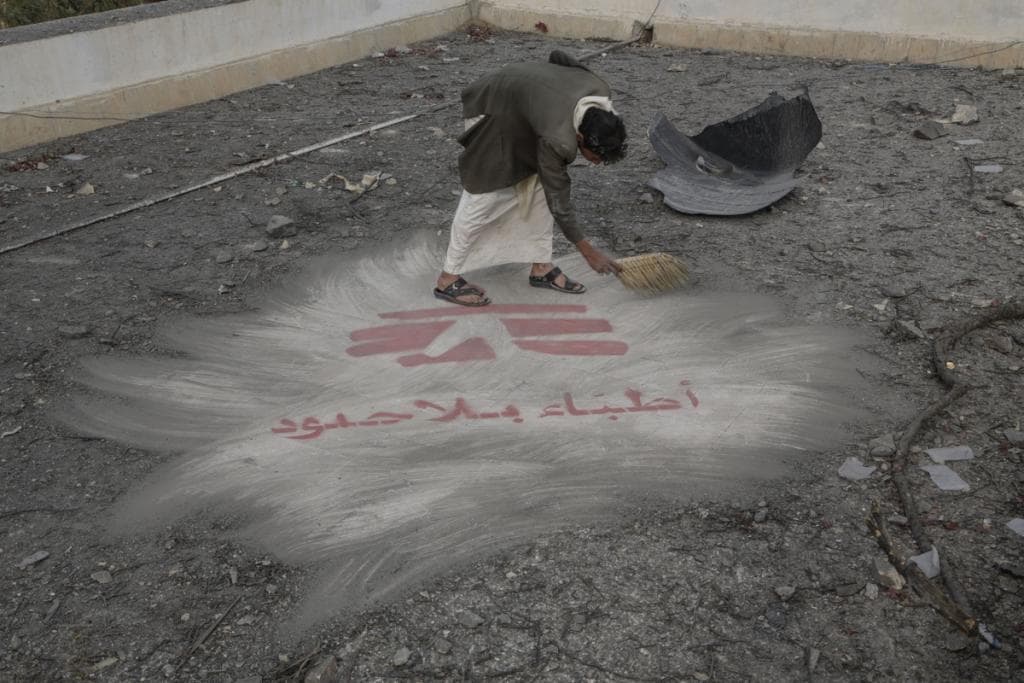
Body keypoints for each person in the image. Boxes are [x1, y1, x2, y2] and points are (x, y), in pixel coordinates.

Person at [433, 49, 627, 306]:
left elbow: (559, 57)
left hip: (526, 107)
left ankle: (541, 268)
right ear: (579, 138)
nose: (598, 163)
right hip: (491, 105)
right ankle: (447, 279)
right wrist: (587, 251)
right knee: (485, 192)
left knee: (536, 185)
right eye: (595, 157)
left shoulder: (599, 91)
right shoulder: (558, 139)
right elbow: (560, 200)